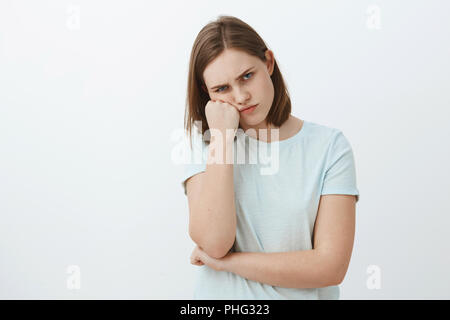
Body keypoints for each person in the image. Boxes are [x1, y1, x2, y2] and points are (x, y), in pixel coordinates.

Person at [181, 15, 360, 300]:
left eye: (247, 76)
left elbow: (330, 267)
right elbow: (214, 242)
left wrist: (226, 263)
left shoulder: (329, 147)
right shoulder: (205, 143)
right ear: (207, 93)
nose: (240, 97)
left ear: (269, 62)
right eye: (222, 89)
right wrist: (223, 139)